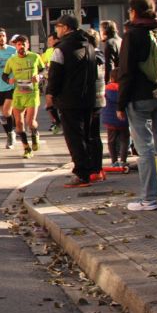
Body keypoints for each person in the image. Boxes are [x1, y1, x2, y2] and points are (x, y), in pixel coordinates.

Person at [116, 0, 157, 211]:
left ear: (134, 12)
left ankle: (148, 199)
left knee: (145, 150)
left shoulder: (133, 35)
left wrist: (120, 103)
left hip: (139, 97)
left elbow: (126, 72)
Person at [47, 14, 104, 187]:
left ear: (65, 28)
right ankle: (93, 170)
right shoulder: (89, 45)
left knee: (74, 138)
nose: (56, 30)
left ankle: (81, 173)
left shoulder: (61, 49)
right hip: (89, 98)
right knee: (88, 136)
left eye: (58, 26)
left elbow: (55, 75)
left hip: (69, 100)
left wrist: (50, 95)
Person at [3, 34, 45, 158]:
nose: (21, 46)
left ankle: (35, 132)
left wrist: (39, 76)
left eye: (23, 44)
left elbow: (43, 70)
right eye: (18, 44)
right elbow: (4, 75)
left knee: (30, 122)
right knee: (19, 124)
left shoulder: (35, 57)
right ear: (15, 46)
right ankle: (27, 148)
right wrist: (9, 80)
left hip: (32, 93)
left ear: (28, 45)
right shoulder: (12, 60)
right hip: (18, 94)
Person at [101, 80, 131, 174]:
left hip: (110, 120)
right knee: (124, 140)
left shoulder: (106, 89)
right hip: (123, 119)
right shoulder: (125, 88)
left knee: (111, 141)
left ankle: (114, 161)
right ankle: (123, 161)